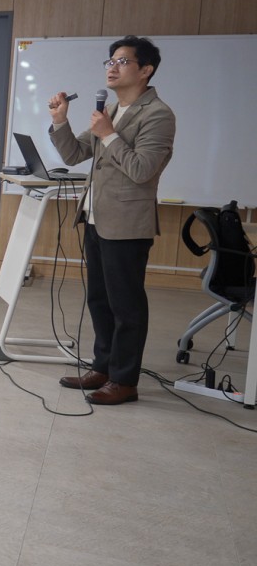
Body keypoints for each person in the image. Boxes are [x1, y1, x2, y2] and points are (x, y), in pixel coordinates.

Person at [48, 35, 176, 406]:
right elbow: (73, 155)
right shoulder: (113, 110)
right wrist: (60, 121)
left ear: (146, 70)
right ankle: (102, 367)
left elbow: (142, 170)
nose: (112, 67)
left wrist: (109, 134)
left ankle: (124, 381)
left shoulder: (157, 114)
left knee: (126, 306)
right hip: (96, 217)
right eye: (110, 61)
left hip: (127, 222)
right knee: (99, 300)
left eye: (122, 61)